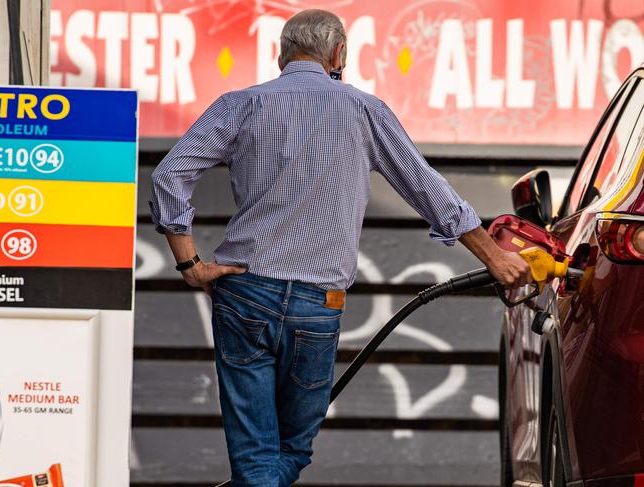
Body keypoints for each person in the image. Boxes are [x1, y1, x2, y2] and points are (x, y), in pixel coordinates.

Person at [149, 8, 531, 487]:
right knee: (290, 450)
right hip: (317, 304)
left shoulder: (240, 104)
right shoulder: (364, 110)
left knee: (260, 454)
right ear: (338, 54)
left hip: (245, 293)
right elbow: (428, 189)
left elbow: (169, 175)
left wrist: (189, 263)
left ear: (282, 55)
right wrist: (495, 257)